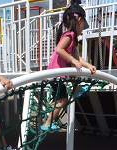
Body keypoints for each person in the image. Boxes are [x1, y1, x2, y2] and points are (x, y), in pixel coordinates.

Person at [43, 1, 96, 131]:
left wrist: (88, 65)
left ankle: (77, 89)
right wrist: (73, 59)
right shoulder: (69, 35)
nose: (83, 27)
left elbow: (78, 58)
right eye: (83, 24)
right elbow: (59, 50)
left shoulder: (73, 39)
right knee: (62, 100)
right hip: (55, 74)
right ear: (78, 20)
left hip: (61, 74)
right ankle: (47, 124)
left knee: (74, 71)